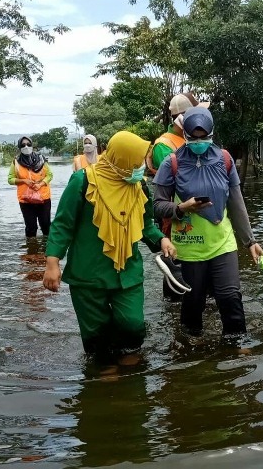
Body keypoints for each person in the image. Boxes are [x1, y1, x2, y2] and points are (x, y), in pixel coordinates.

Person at [42, 131, 177, 363]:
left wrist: (161, 239)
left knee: (132, 324)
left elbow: (144, 224)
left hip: (128, 271)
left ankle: (128, 359)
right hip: (89, 272)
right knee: (96, 331)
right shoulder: (83, 181)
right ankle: (104, 369)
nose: (140, 167)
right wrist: (52, 261)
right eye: (135, 162)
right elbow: (63, 224)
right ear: (120, 160)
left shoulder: (138, 187)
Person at [153, 107, 263, 337]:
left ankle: (236, 348)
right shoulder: (171, 163)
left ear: (212, 134)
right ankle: (190, 349)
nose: (198, 142)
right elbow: (157, 206)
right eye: (193, 138)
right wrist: (182, 208)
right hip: (189, 246)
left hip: (222, 243)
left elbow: (236, 202)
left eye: (203, 137)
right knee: (193, 302)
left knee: (230, 296)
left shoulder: (224, 159)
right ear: (185, 135)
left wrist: (249, 241)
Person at [146, 93, 210, 176]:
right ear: (182, 117)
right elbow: (177, 179)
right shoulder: (163, 145)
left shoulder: (194, 137)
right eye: (197, 115)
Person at [8, 136, 53, 238]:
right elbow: (10, 179)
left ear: (32, 146)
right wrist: (24, 181)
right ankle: (31, 250)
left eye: (28, 144)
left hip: (43, 198)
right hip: (26, 200)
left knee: (46, 226)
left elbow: (50, 175)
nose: (26, 147)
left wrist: (40, 184)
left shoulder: (41, 159)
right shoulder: (16, 162)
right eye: (23, 145)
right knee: (31, 228)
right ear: (19, 147)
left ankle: (48, 250)